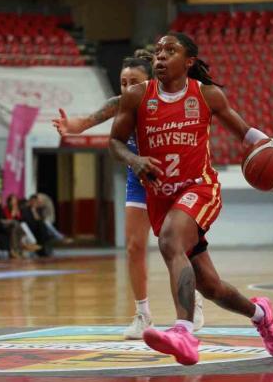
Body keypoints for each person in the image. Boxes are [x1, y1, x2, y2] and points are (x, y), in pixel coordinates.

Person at [109, 32, 273, 365]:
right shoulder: (136, 96)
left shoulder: (206, 95)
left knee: (169, 241)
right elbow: (115, 142)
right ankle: (261, 315)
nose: (161, 56)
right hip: (161, 198)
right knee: (211, 286)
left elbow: (247, 135)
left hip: (199, 189)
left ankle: (183, 333)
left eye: (170, 51)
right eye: (158, 51)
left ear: (189, 62)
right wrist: (134, 160)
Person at [54, 50, 203, 339]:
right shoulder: (122, 104)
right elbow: (89, 120)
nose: (127, 88)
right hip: (139, 180)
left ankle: (192, 300)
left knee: (177, 246)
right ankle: (143, 315)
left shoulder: (172, 101)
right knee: (134, 247)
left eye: (133, 82)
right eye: (123, 83)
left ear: (151, 82)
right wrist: (73, 126)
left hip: (174, 179)